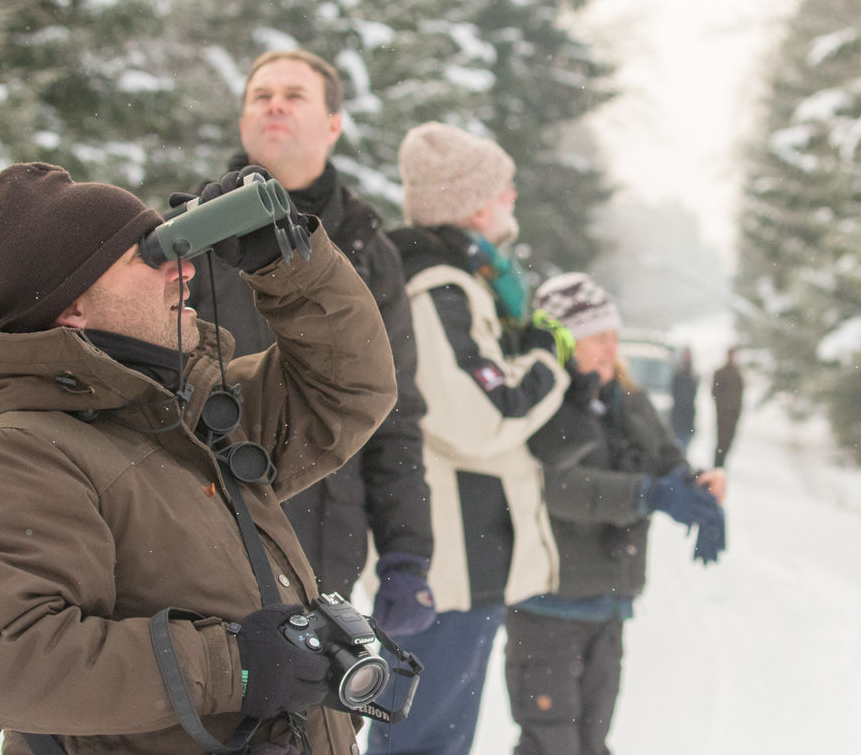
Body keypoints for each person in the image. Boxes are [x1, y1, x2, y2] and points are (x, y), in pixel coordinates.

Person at [0, 161, 397, 755]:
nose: (182, 269)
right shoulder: (20, 453)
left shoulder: (179, 410)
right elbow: (12, 662)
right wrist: (239, 665)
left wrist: (284, 260)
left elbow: (347, 390)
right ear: (71, 308)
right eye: (146, 257)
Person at [185, 49, 436, 638]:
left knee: (320, 724)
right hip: (203, 531)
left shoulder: (369, 247)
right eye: (261, 95)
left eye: (294, 95)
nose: (274, 104)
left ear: (332, 125)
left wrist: (407, 553)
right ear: (244, 123)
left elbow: (395, 410)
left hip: (325, 542)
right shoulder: (187, 237)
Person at [369, 122, 571, 755]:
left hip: (467, 547)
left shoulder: (467, 283)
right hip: (449, 553)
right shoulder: (439, 288)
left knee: (437, 735)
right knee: (424, 739)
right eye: (504, 187)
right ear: (474, 203)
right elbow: (482, 413)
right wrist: (545, 358)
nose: (513, 196)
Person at [505, 273, 726, 755]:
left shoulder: (626, 399)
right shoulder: (545, 402)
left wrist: (698, 487)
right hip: (548, 603)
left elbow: (667, 461)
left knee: (592, 742)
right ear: (563, 341)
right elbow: (558, 487)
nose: (609, 349)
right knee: (550, 744)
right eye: (596, 339)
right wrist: (647, 495)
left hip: (607, 603)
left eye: (613, 337)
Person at [711, 347, 745, 468]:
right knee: (721, 442)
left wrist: (737, 410)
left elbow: (740, 395)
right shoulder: (721, 373)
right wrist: (722, 406)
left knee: (728, 442)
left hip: (733, 415)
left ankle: (721, 466)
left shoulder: (738, 374)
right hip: (723, 415)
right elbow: (715, 392)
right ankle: (718, 467)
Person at [668, 346, 698, 456]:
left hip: (687, 418)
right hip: (678, 417)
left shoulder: (693, 374)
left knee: (683, 449)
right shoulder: (678, 374)